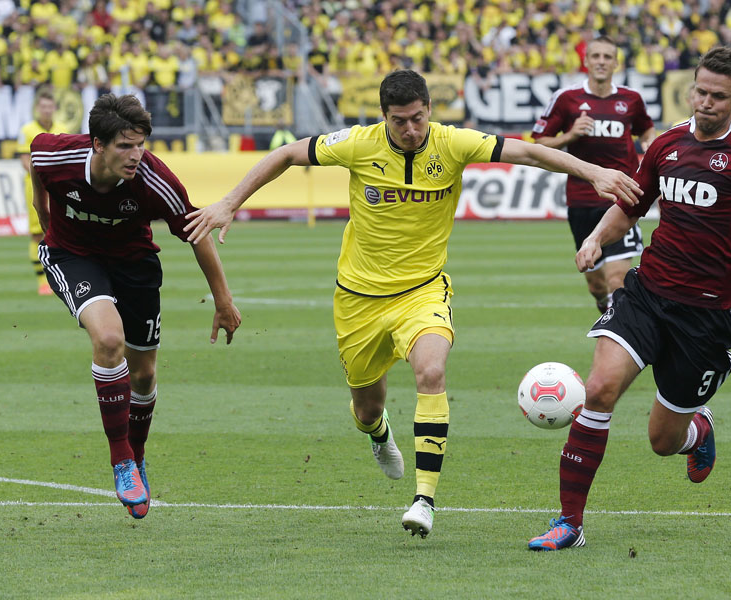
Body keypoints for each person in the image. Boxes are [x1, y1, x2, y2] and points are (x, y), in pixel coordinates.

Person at [184, 69, 641, 538]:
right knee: (366, 407)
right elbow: (285, 154)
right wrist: (230, 202)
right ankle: (380, 435)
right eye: (400, 121)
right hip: (358, 299)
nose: (410, 130)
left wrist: (594, 171)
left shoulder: (453, 143)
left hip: (423, 290)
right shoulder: (357, 144)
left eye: (418, 119)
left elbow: (526, 151)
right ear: (383, 117)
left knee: (431, 372)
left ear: (430, 111)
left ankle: (424, 499)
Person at [527, 47, 731, 551]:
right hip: (648, 293)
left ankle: (697, 429)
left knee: (661, 441)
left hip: (708, 315)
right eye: (700, 91)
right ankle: (569, 523)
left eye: (718, 96)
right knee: (600, 387)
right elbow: (632, 205)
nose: (706, 102)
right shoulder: (668, 143)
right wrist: (596, 240)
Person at [30, 94, 242, 519]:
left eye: (140, 143)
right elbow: (36, 163)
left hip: (134, 265)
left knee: (143, 373)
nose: (136, 154)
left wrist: (223, 299)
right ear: (98, 145)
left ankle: (138, 454)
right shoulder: (58, 155)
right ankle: (121, 460)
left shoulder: (153, 179)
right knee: (109, 339)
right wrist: (44, 215)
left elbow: (196, 232)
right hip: (74, 257)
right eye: (125, 145)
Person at [532, 36, 656, 314]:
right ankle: (603, 305)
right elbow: (539, 143)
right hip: (581, 200)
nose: (601, 62)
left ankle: (618, 334)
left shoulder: (631, 99)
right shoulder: (566, 99)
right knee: (597, 284)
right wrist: (572, 134)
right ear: (586, 61)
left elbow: (646, 129)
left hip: (621, 197)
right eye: (596, 56)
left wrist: (649, 144)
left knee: (617, 280)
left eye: (607, 57)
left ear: (616, 62)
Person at [17, 90, 70, 295]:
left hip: (58, 187)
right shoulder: (27, 130)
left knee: (61, 231)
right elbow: (24, 161)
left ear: (54, 108)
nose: (47, 110)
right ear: (38, 108)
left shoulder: (63, 129)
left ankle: (62, 274)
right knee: (37, 233)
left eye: (50, 107)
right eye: (43, 107)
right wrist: (46, 175)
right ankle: (42, 282)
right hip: (35, 186)